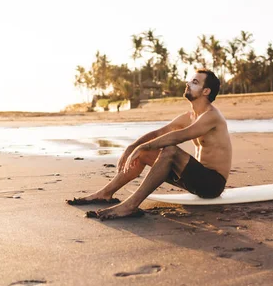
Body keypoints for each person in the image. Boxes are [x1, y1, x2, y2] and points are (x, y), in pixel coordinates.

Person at [67, 69, 232, 220]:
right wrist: (134, 146)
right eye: (190, 80)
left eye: (195, 82)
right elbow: (159, 133)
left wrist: (142, 147)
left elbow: (178, 137)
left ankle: (130, 206)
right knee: (145, 154)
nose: (188, 83)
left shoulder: (212, 117)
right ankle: (105, 194)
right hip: (192, 180)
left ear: (206, 91)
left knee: (170, 151)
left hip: (212, 184)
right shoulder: (189, 116)